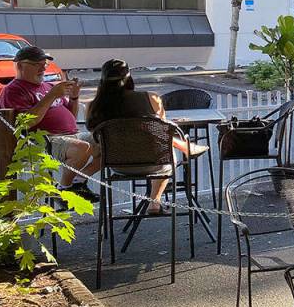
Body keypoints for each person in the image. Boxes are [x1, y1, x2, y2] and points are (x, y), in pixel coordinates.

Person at [86, 59, 206, 215]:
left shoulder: (93, 105)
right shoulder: (151, 98)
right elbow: (161, 131)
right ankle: (154, 202)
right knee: (166, 151)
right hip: (154, 163)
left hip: (116, 164)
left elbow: (94, 136)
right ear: (129, 78)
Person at [0, 45, 100, 197]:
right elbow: (24, 123)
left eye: (44, 65)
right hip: (43, 140)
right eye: (36, 64)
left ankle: (77, 182)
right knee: (82, 148)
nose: (42, 69)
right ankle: (64, 190)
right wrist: (52, 96)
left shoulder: (48, 86)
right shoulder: (14, 89)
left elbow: (71, 115)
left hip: (71, 136)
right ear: (19, 65)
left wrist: (74, 97)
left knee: (110, 143)